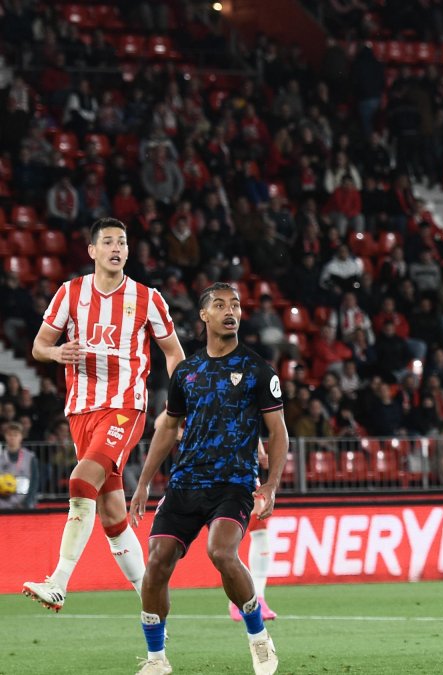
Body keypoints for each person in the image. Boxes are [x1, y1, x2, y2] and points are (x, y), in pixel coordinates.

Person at [23, 218, 185, 612]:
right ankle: (153, 603)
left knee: (81, 482)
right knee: (112, 513)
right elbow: (39, 346)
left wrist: (177, 405)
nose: (116, 247)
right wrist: (57, 353)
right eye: (108, 241)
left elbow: (174, 353)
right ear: (93, 251)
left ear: (128, 252)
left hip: (125, 407)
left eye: (123, 242)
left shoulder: (148, 298)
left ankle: (59, 582)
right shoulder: (70, 293)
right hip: (81, 410)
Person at [129, 283, 284, 675]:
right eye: (219, 305)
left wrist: (270, 484)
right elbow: (167, 428)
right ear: (204, 316)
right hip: (185, 483)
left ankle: (259, 639)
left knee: (220, 552)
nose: (229, 310)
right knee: (157, 563)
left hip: (233, 484)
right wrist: (145, 482)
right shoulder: (187, 371)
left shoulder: (257, 371)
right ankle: (156, 659)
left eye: (235, 304)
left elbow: (278, 431)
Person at [229, 444, 279, 622]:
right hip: (218, 470)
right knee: (229, 537)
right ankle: (237, 600)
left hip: (245, 467)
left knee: (259, 526)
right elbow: (162, 424)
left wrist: (260, 451)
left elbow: (251, 419)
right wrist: (194, 437)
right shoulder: (197, 415)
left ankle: (258, 597)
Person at [0, 422, 39, 509]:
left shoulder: (30, 457)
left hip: (23, 501)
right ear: (5, 436)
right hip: (3, 501)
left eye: (15, 435)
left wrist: (29, 500)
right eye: (9, 435)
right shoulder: (1, 456)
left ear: (21, 436)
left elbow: (34, 480)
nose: (12, 438)